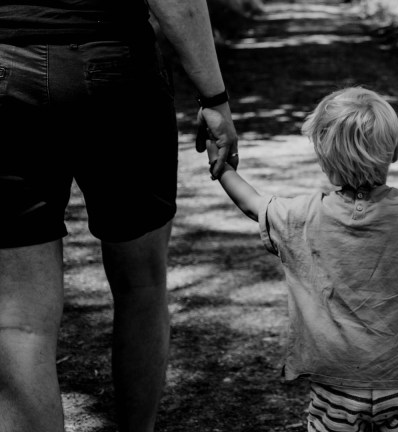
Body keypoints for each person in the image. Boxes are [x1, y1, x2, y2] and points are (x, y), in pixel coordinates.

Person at [0, 1, 238, 431]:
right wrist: (215, 99)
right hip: (118, 71)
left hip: (6, 72)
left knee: (19, 322)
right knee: (142, 285)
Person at [206, 87, 398, 432]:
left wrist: (222, 166)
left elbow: (253, 204)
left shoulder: (306, 214)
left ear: (323, 160)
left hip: (337, 382)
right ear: (395, 153)